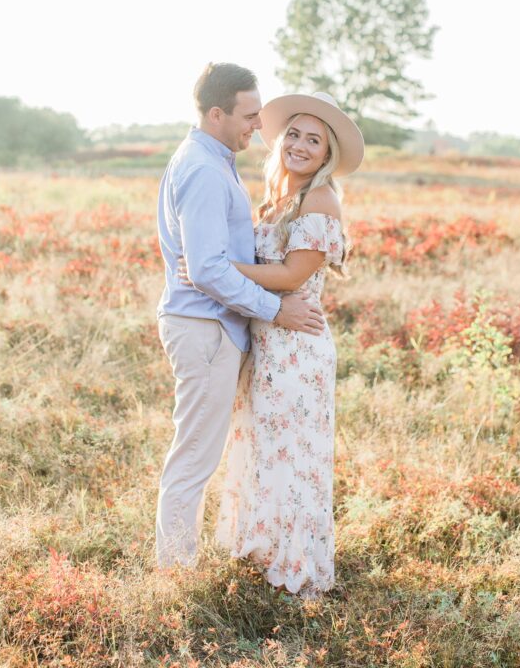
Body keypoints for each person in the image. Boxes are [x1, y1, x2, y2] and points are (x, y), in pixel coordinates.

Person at [155, 63, 327, 568]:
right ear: (216, 114)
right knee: (194, 456)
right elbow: (207, 270)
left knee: (198, 452)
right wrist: (277, 310)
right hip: (206, 329)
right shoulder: (207, 171)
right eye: (250, 115)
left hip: (211, 327)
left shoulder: (214, 160)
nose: (259, 125)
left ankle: (178, 563)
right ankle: (175, 573)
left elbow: (211, 262)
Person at [207, 91, 364, 596]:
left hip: (298, 348)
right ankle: (265, 550)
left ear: (326, 155)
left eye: (313, 140)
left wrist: (219, 269)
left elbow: (295, 272)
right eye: (293, 134)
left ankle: (296, 568)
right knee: (264, 449)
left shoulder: (321, 199)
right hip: (268, 344)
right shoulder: (278, 196)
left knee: (293, 457)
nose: (299, 145)